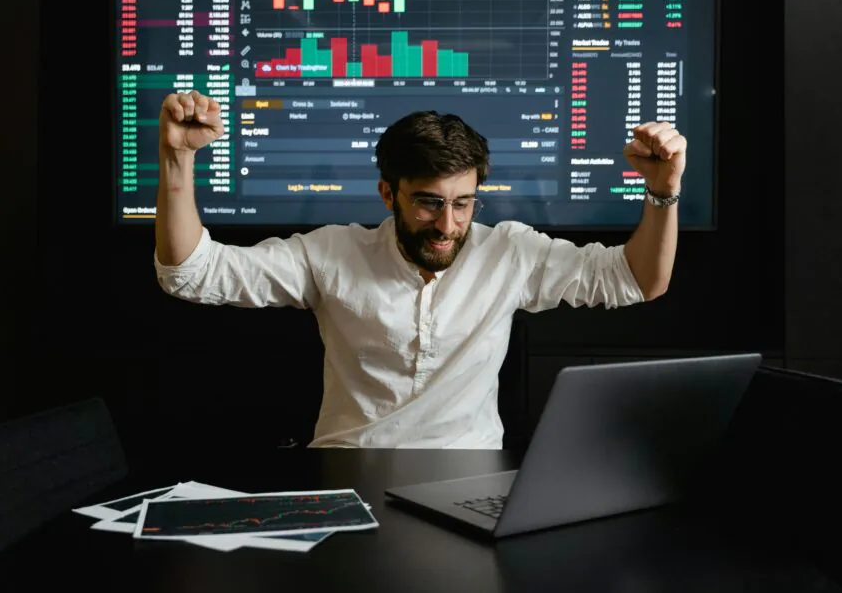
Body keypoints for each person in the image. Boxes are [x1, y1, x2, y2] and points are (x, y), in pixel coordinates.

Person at [154, 90, 686, 449]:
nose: (448, 225)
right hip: (347, 475)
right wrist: (178, 158)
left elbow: (637, 280)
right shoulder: (332, 252)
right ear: (389, 193)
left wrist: (662, 192)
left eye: (464, 203)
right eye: (428, 203)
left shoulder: (510, 253)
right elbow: (192, 272)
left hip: (470, 482)